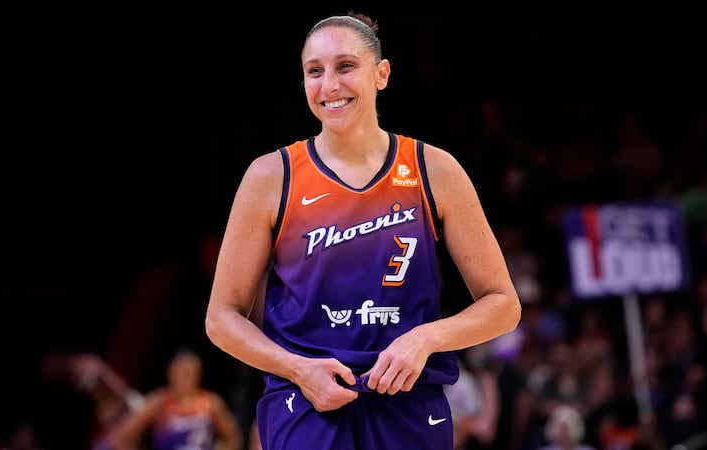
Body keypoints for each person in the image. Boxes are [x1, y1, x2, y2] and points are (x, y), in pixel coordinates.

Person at [204, 12, 521, 450]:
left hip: (410, 402)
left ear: (382, 74)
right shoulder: (271, 176)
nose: (329, 85)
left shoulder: (434, 169)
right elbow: (221, 317)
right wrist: (296, 368)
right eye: (314, 71)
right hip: (307, 402)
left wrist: (426, 338)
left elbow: (503, 304)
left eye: (345, 66)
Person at [108, 347, 243, 450]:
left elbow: (233, 437)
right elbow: (121, 437)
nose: (188, 378)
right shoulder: (158, 402)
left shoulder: (211, 402)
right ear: (171, 373)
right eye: (184, 372)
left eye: (193, 373)